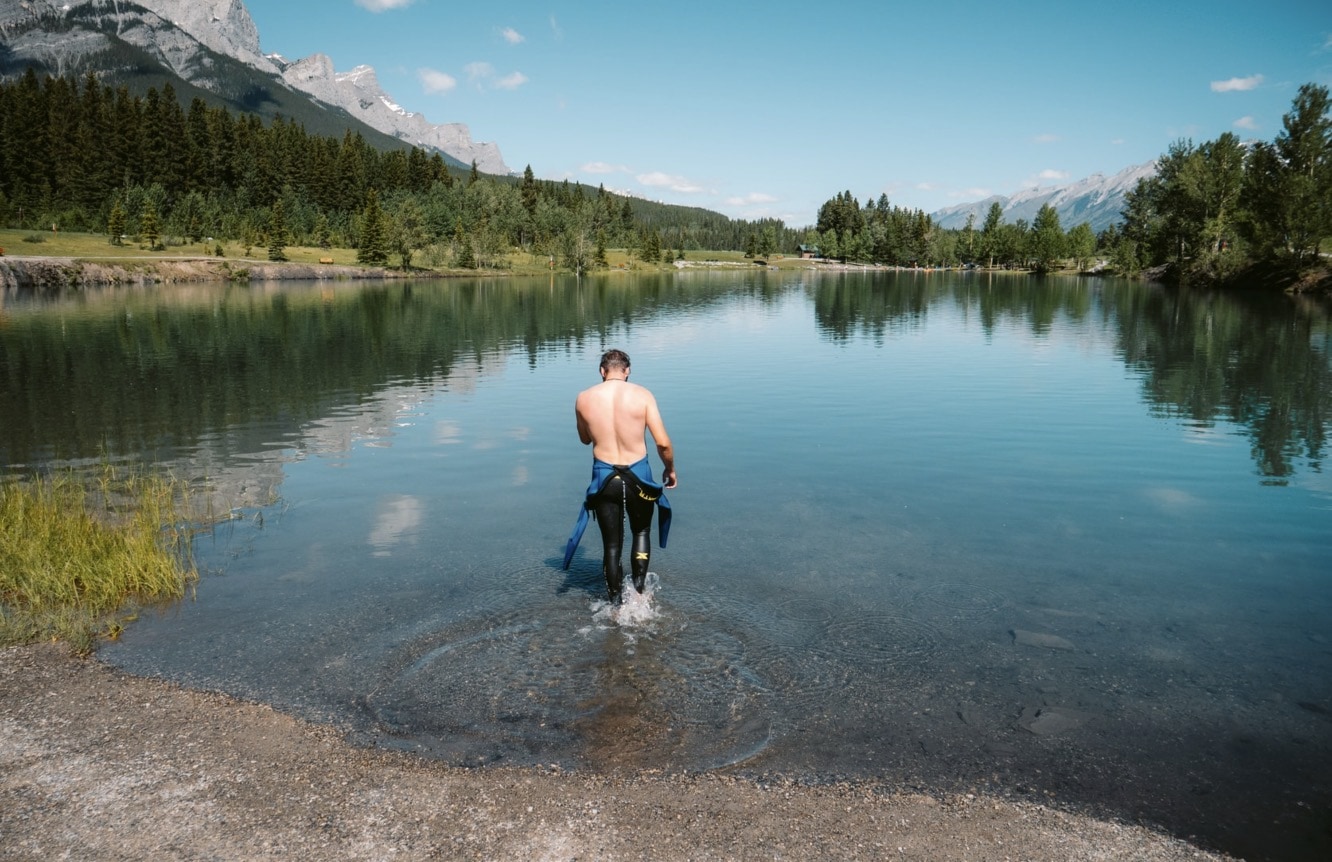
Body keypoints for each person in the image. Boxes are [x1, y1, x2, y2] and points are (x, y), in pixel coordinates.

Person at [562, 349, 676, 603]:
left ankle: (615, 606)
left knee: (611, 546)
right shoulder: (642, 395)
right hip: (638, 476)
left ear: (602, 372)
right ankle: (638, 597)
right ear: (627, 371)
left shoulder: (584, 398)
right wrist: (669, 469)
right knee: (641, 532)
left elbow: (584, 439)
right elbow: (664, 444)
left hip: (605, 479)